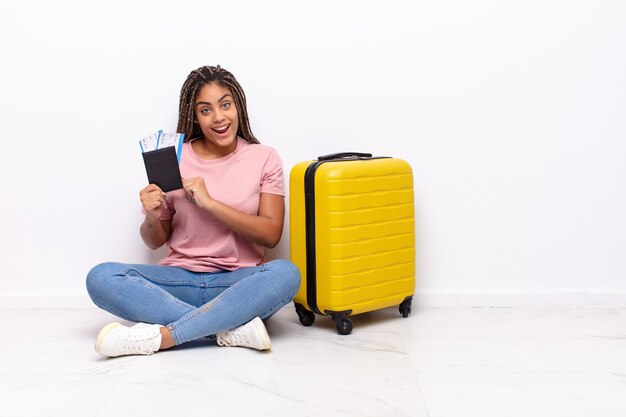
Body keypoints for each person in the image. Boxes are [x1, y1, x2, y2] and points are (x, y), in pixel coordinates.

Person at [86, 65, 301, 357]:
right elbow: (155, 240)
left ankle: (166, 337)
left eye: (225, 105)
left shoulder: (264, 157)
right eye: (206, 110)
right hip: (179, 281)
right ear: (195, 117)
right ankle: (226, 328)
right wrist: (151, 216)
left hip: (237, 283)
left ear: (238, 106)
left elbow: (271, 234)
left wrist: (210, 203)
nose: (219, 117)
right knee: (100, 277)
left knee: (286, 274)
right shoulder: (175, 155)